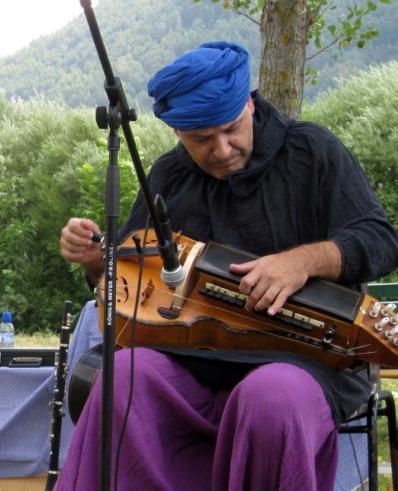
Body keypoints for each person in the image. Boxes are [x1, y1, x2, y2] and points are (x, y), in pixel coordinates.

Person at [55, 41, 398, 490]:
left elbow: (380, 239)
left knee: (269, 399)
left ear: (249, 104)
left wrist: (304, 261)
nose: (221, 149)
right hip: (193, 360)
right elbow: (130, 274)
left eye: (231, 128)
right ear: (178, 133)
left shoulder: (313, 152)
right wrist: (97, 259)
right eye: (201, 139)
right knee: (123, 382)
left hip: (307, 360)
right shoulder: (167, 177)